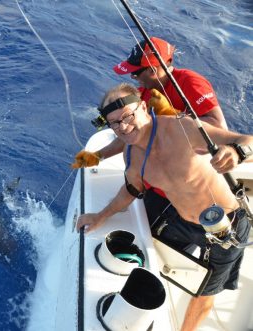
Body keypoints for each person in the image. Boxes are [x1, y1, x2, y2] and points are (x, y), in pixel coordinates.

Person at [75, 83, 252, 331]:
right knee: (150, 258)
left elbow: (247, 140)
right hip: (182, 221)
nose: (123, 127)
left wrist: (237, 152)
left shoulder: (184, 128)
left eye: (127, 116)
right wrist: (100, 216)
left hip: (225, 225)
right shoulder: (133, 157)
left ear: (144, 108)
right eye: (114, 123)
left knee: (204, 293)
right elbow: (130, 190)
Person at [72, 37, 228, 223]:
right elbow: (131, 135)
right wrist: (98, 156)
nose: (133, 78)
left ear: (153, 70)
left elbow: (219, 128)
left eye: (136, 74)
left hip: (191, 184)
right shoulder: (144, 94)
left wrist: (171, 114)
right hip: (158, 184)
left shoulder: (191, 82)